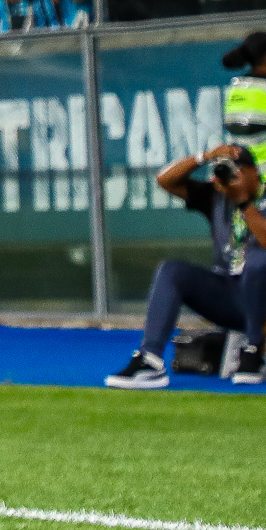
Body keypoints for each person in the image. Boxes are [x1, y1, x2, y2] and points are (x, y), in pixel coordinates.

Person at [106, 111, 266, 389]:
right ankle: (150, 360)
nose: (225, 177)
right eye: (222, 171)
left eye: (234, 170)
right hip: (231, 295)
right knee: (172, 270)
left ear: (254, 173)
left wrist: (244, 203)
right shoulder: (217, 196)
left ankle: (254, 352)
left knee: (257, 259)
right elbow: (165, 180)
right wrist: (205, 156)